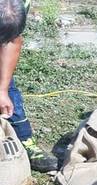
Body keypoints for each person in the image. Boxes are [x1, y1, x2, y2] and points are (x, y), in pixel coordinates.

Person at [0, 0, 57, 172]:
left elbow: (12, 41)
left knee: (7, 89)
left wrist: (2, 90)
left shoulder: (17, 7)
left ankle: (24, 139)